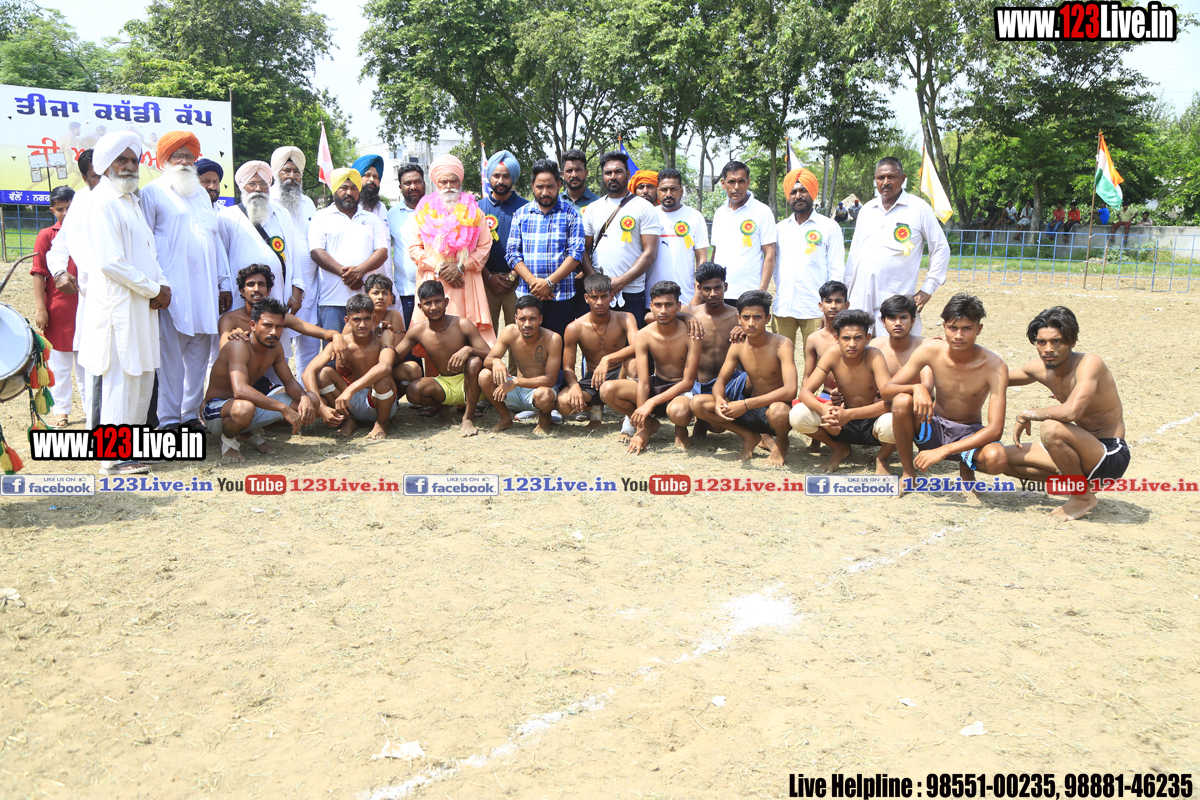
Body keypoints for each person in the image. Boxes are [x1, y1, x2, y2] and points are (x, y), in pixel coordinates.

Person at [76, 131, 170, 474]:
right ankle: (112, 456)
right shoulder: (102, 202)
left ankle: (132, 448)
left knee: (141, 376)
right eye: (122, 160)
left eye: (134, 160)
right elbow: (110, 262)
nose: (130, 166)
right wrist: (153, 288)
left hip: (141, 305)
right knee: (119, 377)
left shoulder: (131, 201)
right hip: (118, 307)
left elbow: (149, 254)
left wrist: (162, 284)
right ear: (106, 164)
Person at [139, 130, 232, 430]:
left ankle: (190, 415)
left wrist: (223, 283)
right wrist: (155, 286)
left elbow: (214, 241)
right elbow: (144, 243)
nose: (183, 161)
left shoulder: (202, 194)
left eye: (188, 156)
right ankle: (168, 420)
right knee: (170, 359)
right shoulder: (152, 192)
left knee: (198, 355)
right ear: (164, 160)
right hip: (172, 291)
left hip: (205, 291)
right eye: (177, 155)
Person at [1001, 306, 1127, 521]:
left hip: (1108, 454)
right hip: (1076, 454)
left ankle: (1081, 497)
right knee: (1000, 459)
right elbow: (992, 377)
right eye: (1041, 342)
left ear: (1072, 341)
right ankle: (1076, 483)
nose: (1048, 349)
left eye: (1056, 341)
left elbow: (1071, 411)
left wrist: (1027, 414)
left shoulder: (1089, 363)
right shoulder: (1039, 368)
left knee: (1051, 428)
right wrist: (949, 357)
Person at [880, 293, 1008, 494]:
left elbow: (995, 429)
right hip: (933, 425)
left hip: (969, 430)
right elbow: (887, 390)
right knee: (902, 401)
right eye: (953, 328)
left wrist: (944, 450)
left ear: (979, 329)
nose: (958, 336)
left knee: (997, 459)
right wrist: (916, 388)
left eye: (967, 329)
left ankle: (966, 465)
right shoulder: (931, 349)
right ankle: (908, 473)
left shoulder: (995, 366)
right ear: (944, 326)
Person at [202, 298, 317, 461]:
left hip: (248, 406)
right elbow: (240, 390)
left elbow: (290, 382)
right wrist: (282, 408)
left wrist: (304, 397)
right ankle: (228, 440)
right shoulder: (238, 345)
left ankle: (244, 432)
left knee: (311, 399)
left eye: (279, 326)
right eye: (267, 325)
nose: (273, 332)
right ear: (253, 325)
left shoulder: (275, 347)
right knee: (244, 408)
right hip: (217, 409)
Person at [844, 156, 948, 335]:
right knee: (860, 347)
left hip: (895, 300)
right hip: (860, 297)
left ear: (903, 178)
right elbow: (854, 254)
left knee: (894, 350)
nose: (885, 182)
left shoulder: (919, 208)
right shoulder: (867, 209)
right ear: (875, 180)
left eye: (891, 177)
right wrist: (845, 293)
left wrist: (927, 290)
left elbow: (941, 248)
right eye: (880, 177)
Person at [692, 290, 796, 466]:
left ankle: (782, 442)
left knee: (779, 411)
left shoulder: (782, 344)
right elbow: (721, 381)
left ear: (767, 319)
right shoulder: (738, 345)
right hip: (747, 411)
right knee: (697, 403)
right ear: (738, 318)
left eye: (757, 317)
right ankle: (749, 436)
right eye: (746, 317)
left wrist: (746, 404)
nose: (751, 323)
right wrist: (719, 399)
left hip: (772, 411)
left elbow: (790, 390)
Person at [600, 280, 701, 453]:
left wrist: (651, 402)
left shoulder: (691, 333)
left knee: (678, 412)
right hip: (657, 383)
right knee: (607, 390)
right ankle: (648, 424)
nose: (663, 311)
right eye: (658, 305)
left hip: (682, 389)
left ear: (678, 306)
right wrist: (641, 429)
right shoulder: (644, 335)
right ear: (651, 306)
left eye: (669, 305)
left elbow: (688, 382)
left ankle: (681, 429)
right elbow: (644, 383)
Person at [791, 309, 894, 473]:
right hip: (841, 421)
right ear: (836, 338)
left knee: (893, 421)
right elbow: (805, 392)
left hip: (872, 421)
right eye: (846, 338)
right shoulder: (832, 353)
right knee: (798, 414)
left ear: (867, 338)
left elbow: (889, 402)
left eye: (858, 338)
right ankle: (839, 448)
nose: (852, 344)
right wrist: (823, 409)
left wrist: (850, 414)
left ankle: (882, 457)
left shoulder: (874, 355)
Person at [405, 154, 494, 342]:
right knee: (432, 339)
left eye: (453, 181)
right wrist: (439, 267)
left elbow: (485, 246)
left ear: (460, 182)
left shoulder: (476, 213)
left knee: (467, 337)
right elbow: (414, 248)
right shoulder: (421, 213)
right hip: (433, 279)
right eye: (443, 182)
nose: (448, 186)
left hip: (465, 279)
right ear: (436, 184)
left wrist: (461, 266)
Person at [387, 281, 491, 436]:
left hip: (472, 383)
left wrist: (469, 350)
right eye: (428, 303)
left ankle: (468, 417)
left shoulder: (463, 324)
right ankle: (443, 407)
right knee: (414, 390)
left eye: (438, 301)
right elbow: (394, 358)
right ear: (420, 307)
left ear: (446, 302)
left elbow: (490, 355)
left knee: (474, 361)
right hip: (445, 384)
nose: (433, 307)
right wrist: (384, 338)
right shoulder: (418, 330)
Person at [218, 161, 305, 343]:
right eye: (252, 183)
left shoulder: (282, 214)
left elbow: (293, 253)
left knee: (275, 339)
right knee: (241, 341)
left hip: (276, 291)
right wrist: (224, 288)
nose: (258, 189)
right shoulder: (227, 216)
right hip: (241, 294)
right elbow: (220, 258)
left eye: (263, 183)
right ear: (242, 186)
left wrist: (297, 290)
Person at [45, 149, 100, 425]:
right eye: (95, 175)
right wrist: (59, 273)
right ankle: (87, 418)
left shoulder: (135, 198)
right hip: (87, 300)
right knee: (82, 362)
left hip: (128, 298)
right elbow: (56, 252)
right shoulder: (82, 203)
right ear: (85, 178)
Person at [218, 265, 347, 377]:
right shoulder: (230, 319)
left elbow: (322, 333)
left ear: (268, 291)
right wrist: (235, 339)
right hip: (239, 377)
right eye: (251, 284)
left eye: (261, 284)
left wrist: (337, 336)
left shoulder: (278, 317)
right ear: (242, 291)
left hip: (270, 377)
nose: (256, 289)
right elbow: (225, 351)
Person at [506, 158, 585, 336]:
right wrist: (535, 284)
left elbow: (576, 254)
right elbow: (512, 253)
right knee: (528, 348)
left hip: (561, 297)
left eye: (550, 186)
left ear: (559, 185)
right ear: (533, 186)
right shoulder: (521, 214)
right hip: (528, 295)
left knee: (559, 345)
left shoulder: (571, 214)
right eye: (540, 187)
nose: (545, 192)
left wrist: (548, 283)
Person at [308, 167, 390, 337]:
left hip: (366, 301)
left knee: (367, 351)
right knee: (334, 349)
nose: (349, 192)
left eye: (354, 188)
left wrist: (360, 271)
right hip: (332, 299)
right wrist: (347, 275)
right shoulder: (321, 217)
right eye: (344, 188)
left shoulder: (371, 219)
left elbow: (382, 251)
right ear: (334, 190)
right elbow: (316, 252)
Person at [303, 294, 398, 440]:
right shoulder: (341, 343)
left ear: (374, 319)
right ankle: (348, 419)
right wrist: (321, 407)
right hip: (349, 401)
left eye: (367, 319)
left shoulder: (383, 334)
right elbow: (308, 372)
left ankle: (381, 424)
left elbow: (385, 366)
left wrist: (350, 390)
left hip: (378, 399)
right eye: (357, 319)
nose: (362, 325)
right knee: (323, 374)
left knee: (383, 379)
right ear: (347, 321)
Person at [581, 152, 661, 324]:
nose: (613, 176)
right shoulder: (592, 209)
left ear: (628, 174)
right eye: (608, 172)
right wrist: (596, 281)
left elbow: (650, 253)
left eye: (618, 171)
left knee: (631, 339)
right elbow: (583, 250)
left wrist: (621, 282)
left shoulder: (644, 207)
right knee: (597, 339)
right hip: (599, 294)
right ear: (603, 176)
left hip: (631, 292)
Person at [30, 185, 85, 427]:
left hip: (86, 307)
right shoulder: (47, 235)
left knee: (87, 365)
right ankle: (61, 411)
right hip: (59, 310)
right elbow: (38, 274)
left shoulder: (88, 230)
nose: (65, 213)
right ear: (52, 211)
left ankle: (92, 411)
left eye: (69, 208)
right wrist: (41, 309)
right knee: (60, 365)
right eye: (60, 209)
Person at [773, 167, 845, 349]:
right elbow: (773, 265)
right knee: (778, 359)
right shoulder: (779, 228)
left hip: (816, 308)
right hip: (784, 307)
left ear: (812, 193)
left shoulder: (829, 227)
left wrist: (830, 309)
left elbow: (836, 269)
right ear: (788, 196)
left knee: (818, 359)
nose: (798, 196)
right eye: (793, 192)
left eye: (803, 190)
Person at [557, 273, 639, 428]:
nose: (599, 302)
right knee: (563, 403)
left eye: (604, 296)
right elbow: (568, 366)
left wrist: (607, 359)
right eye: (594, 297)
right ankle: (595, 408)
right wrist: (574, 385)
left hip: (619, 373)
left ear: (612, 296)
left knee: (634, 363)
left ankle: (630, 418)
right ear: (586, 298)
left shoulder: (625, 318)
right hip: (593, 379)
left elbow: (638, 346)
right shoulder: (575, 327)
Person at [671, 262, 742, 439]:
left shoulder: (739, 316)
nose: (713, 293)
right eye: (707, 289)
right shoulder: (691, 312)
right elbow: (650, 316)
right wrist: (684, 316)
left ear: (725, 287)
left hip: (727, 385)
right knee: (678, 411)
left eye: (717, 288)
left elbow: (761, 331)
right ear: (699, 289)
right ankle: (693, 423)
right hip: (697, 384)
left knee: (717, 427)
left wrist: (746, 330)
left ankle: (705, 420)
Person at [270, 146, 321, 376]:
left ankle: (305, 390)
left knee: (309, 346)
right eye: (286, 171)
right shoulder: (268, 201)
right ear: (276, 172)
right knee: (279, 344)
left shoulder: (308, 202)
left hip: (311, 285)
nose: (292, 176)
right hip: (280, 286)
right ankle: (279, 390)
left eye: (297, 171)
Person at [479, 295, 564, 435]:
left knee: (545, 394)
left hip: (539, 390)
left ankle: (544, 420)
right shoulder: (509, 331)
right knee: (484, 375)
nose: (527, 324)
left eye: (532, 319)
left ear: (540, 319)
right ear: (515, 318)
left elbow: (550, 380)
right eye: (522, 319)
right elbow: (488, 360)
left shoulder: (553, 339)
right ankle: (505, 419)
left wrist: (516, 382)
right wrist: (496, 361)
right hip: (516, 389)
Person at [867, 293, 934, 472]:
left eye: (903, 317)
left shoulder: (925, 346)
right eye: (892, 318)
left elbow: (927, 387)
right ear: (883, 322)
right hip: (882, 406)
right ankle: (880, 453)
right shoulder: (875, 346)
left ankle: (888, 457)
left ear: (913, 321)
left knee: (902, 401)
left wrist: (912, 391)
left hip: (916, 410)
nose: (898, 323)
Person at [709, 160, 778, 299]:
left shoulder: (762, 211)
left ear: (748, 182)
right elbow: (716, 252)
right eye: (731, 182)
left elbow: (770, 253)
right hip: (720, 293)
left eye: (741, 181)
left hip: (749, 294)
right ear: (723, 183)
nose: (736, 187)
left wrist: (761, 291)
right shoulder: (719, 213)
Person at [479, 150, 528, 337]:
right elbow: (470, 249)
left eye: (506, 176)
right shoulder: (476, 208)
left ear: (513, 178)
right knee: (485, 336)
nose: (500, 181)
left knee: (518, 336)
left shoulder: (526, 208)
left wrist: (514, 275)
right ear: (489, 177)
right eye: (496, 175)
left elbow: (529, 246)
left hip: (517, 282)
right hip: (484, 281)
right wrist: (488, 276)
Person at [648, 167, 708, 306]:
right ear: (657, 191)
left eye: (673, 189)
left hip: (685, 299)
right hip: (651, 300)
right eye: (664, 189)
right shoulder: (649, 215)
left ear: (681, 191)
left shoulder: (695, 217)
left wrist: (698, 294)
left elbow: (702, 259)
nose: (668, 194)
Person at [386, 164, 426, 327]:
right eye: (408, 183)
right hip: (406, 292)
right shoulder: (391, 215)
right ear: (400, 187)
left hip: (436, 289)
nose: (413, 187)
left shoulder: (437, 211)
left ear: (424, 183)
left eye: (417, 182)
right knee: (407, 339)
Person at [802, 280, 849, 402]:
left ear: (847, 305)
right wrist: (807, 398)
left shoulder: (856, 336)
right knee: (799, 411)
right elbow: (808, 376)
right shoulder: (814, 339)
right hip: (827, 395)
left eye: (838, 301)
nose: (833, 306)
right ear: (820, 306)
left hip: (854, 395)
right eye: (828, 301)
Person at [352, 154, 389, 228]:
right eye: (367, 175)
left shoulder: (382, 208)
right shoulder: (350, 208)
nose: (372, 179)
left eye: (376, 177)